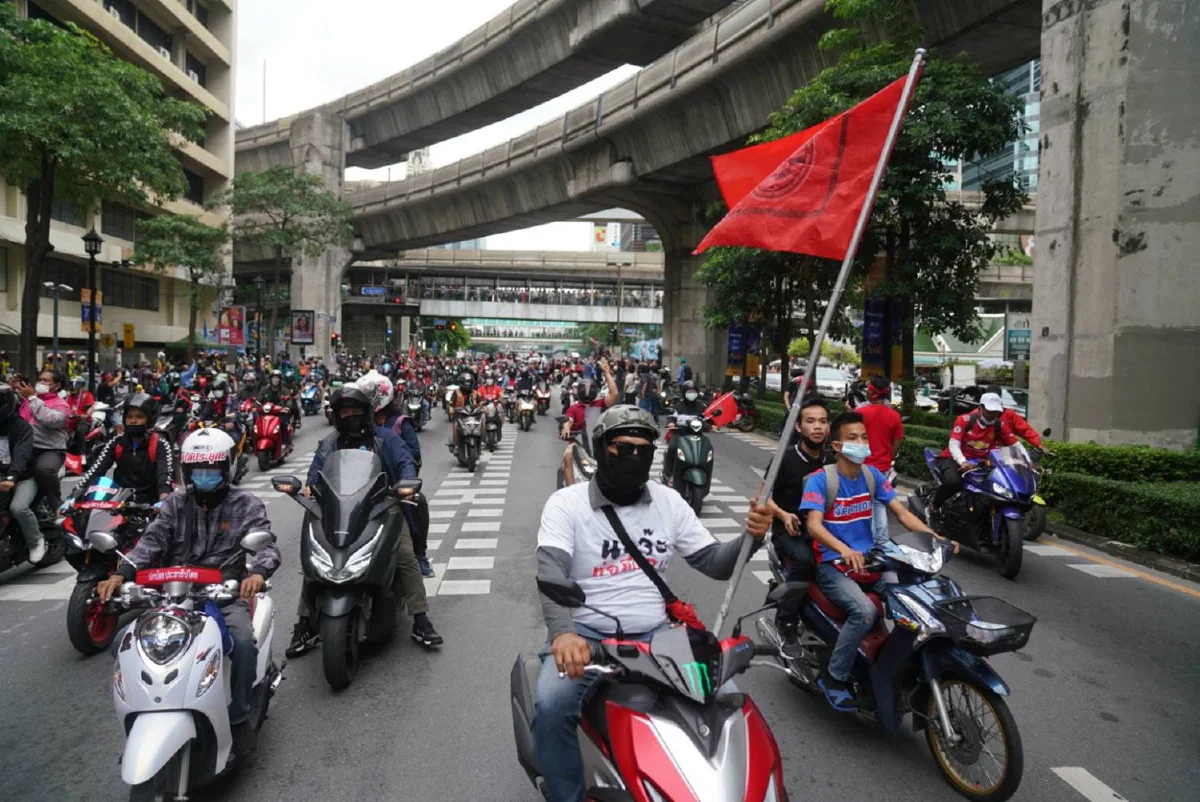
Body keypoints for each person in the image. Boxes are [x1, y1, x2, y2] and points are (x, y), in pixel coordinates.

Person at [533, 405, 772, 802]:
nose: (634, 457)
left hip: (658, 634)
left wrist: (752, 537)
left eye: (644, 450)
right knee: (552, 707)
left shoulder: (669, 502)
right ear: (601, 447)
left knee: (725, 698)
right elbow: (552, 574)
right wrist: (563, 634)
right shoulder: (566, 504)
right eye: (622, 448)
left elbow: (713, 563)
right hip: (589, 637)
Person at [95, 428, 280, 760]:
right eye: (197, 468)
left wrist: (257, 573)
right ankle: (145, 715)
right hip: (175, 592)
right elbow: (150, 542)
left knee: (243, 644)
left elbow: (265, 543)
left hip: (223, 592)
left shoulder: (246, 503)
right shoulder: (175, 504)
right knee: (123, 642)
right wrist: (120, 573)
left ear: (226, 467)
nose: (203, 474)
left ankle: (238, 717)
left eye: (210, 467)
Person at [800, 411, 947, 711]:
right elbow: (813, 525)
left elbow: (903, 514)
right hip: (833, 566)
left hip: (871, 563)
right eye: (852, 438)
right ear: (837, 445)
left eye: (864, 438)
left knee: (913, 601)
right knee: (865, 612)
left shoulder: (872, 476)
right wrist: (843, 549)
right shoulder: (820, 480)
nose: (861, 443)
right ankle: (835, 676)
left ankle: (897, 664)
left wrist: (938, 538)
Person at [286, 386, 442, 655]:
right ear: (337, 415)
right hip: (340, 512)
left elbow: (406, 462)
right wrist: (311, 487)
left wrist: (404, 484)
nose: (352, 416)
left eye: (357, 411)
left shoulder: (385, 440)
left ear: (368, 413)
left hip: (384, 507)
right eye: (346, 412)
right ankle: (304, 625)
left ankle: (420, 618)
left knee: (404, 555)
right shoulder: (329, 443)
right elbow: (315, 473)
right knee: (315, 561)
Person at [765, 396, 834, 655]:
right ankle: (787, 621)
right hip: (789, 533)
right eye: (810, 421)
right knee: (806, 560)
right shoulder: (785, 458)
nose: (817, 427)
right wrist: (783, 515)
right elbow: (763, 496)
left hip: (825, 531)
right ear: (798, 427)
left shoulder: (832, 460)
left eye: (823, 422)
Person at [929, 391, 1042, 524]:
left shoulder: (999, 425)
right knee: (953, 482)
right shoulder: (964, 420)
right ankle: (933, 508)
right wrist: (963, 462)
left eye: (996, 412)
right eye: (989, 411)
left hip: (981, 462)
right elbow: (954, 444)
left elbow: (1015, 445)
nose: (992, 415)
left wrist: (1027, 462)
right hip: (955, 459)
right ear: (980, 407)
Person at [63, 394, 174, 509]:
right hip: (120, 503)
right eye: (129, 416)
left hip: (150, 504)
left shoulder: (160, 444)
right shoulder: (116, 442)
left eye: (139, 417)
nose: (133, 421)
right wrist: (73, 496)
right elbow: (95, 471)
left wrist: (163, 501)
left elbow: (164, 477)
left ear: (150, 419)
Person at [856, 375, 904, 545]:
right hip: (882, 468)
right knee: (880, 504)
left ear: (873, 393)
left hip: (861, 466)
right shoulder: (894, 416)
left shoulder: (860, 413)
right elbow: (897, 441)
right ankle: (882, 542)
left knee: (863, 505)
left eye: (868, 389)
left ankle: (867, 542)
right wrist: (888, 458)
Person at [17, 369, 68, 513]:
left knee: (44, 470)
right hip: (25, 448)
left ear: (56, 386)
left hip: (50, 449)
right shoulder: (25, 400)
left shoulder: (61, 404)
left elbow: (51, 420)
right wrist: (15, 388)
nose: (41, 383)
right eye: (40, 379)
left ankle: (57, 506)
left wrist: (33, 398)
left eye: (46, 380)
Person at [0, 385, 41, 562]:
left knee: (18, 508)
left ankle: (36, 541)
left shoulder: (21, 427)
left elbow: (22, 454)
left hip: (23, 477)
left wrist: (12, 476)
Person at [661, 380, 706, 480]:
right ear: (684, 393)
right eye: (689, 392)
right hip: (680, 434)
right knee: (672, 449)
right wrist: (671, 423)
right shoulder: (677, 406)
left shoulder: (702, 406)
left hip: (697, 435)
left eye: (694, 391)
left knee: (707, 451)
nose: (692, 394)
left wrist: (711, 425)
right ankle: (668, 474)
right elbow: (671, 417)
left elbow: (708, 418)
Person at [261, 369, 295, 446]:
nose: (275, 380)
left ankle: (284, 442)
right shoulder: (264, 389)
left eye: (277, 378)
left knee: (282, 424)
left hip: (280, 412)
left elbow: (289, 400)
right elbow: (259, 400)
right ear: (270, 379)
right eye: (273, 378)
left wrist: (287, 407)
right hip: (267, 412)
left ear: (280, 379)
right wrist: (255, 407)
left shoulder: (285, 390)